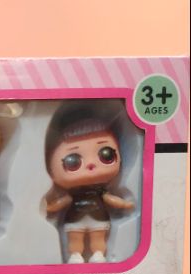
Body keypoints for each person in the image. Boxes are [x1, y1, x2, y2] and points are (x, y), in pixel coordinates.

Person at [44, 106, 133, 264]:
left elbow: (110, 199)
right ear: (50, 170)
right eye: (73, 161)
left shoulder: (100, 191)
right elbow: (63, 201)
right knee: (75, 240)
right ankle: (75, 255)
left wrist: (124, 204)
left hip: (99, 217)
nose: (91, 164)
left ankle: (98, 254)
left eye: (106, 154)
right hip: (74, 218)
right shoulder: (73, 194)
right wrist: (51, 207)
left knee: (98, 239)